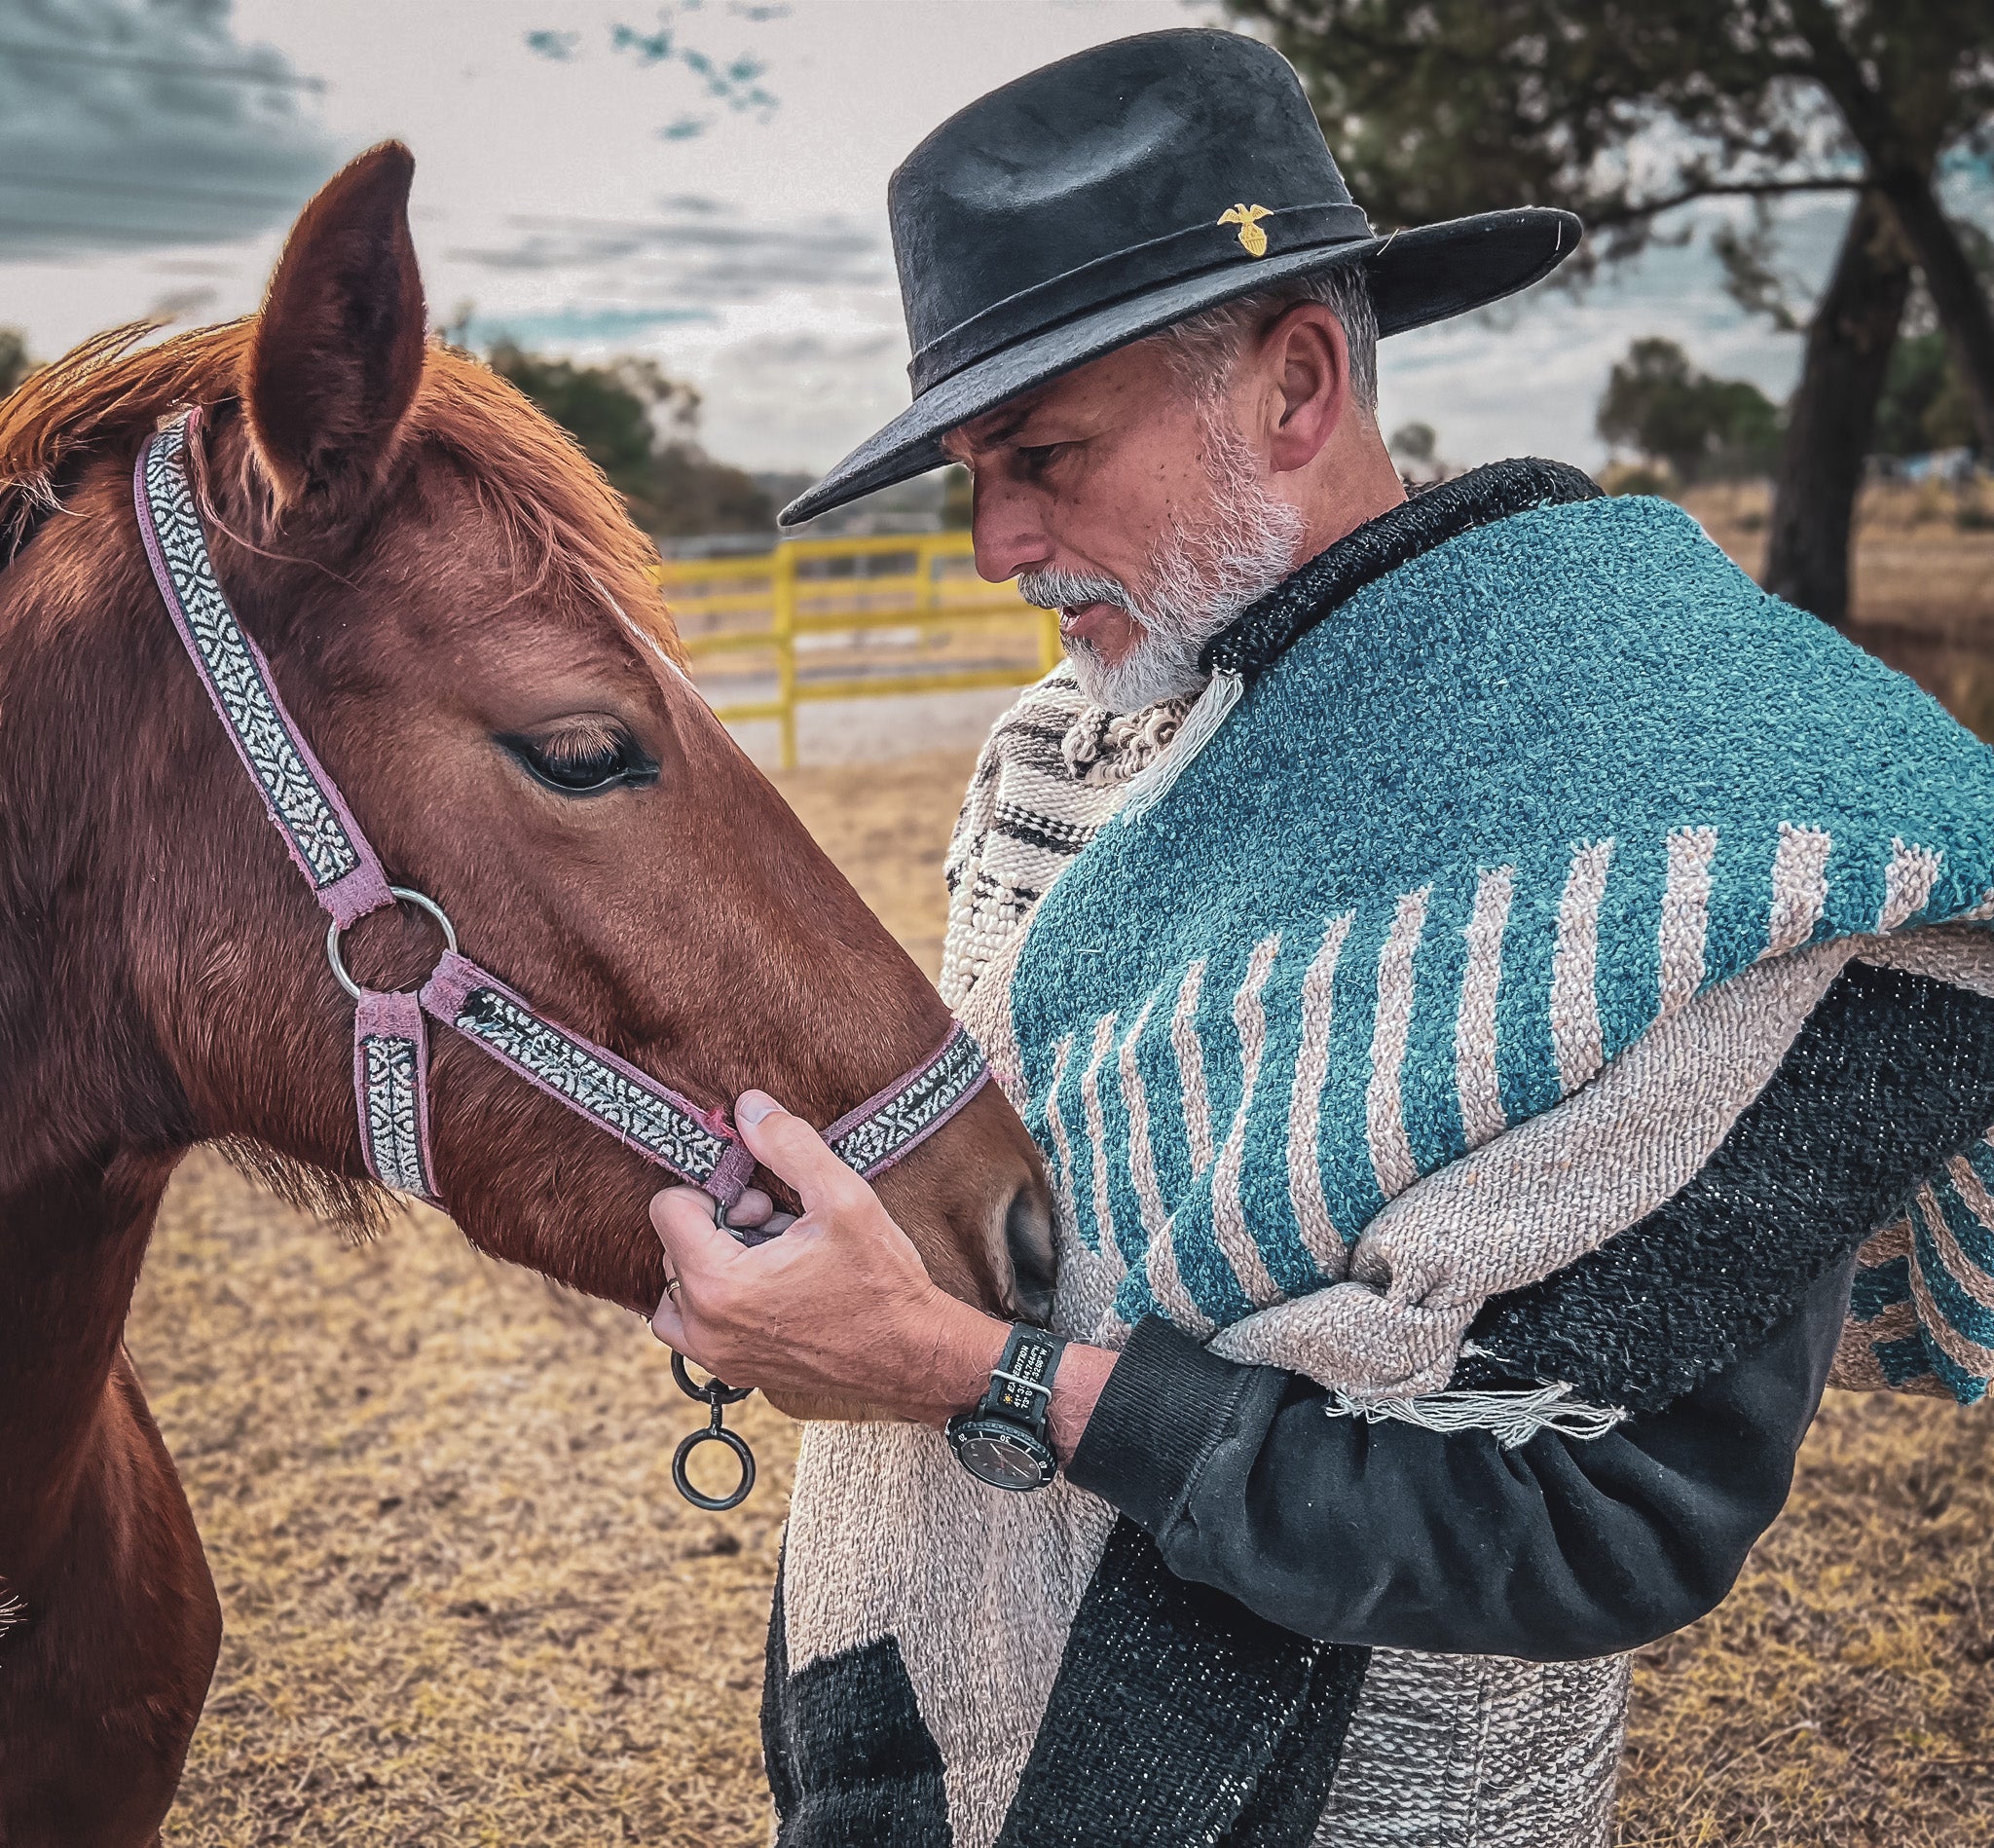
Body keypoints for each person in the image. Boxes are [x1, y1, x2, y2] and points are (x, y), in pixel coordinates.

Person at [646, 29, 1994, 1847]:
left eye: (1039, 454)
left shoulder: (1698, 824)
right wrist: (825, 1228)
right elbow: (1024, 1201)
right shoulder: (1058, 750)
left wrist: (961, 1373)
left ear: (1294, 385)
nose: (991, 544)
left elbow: (1603, 1524)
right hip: (923, 1722)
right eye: (970, 471)